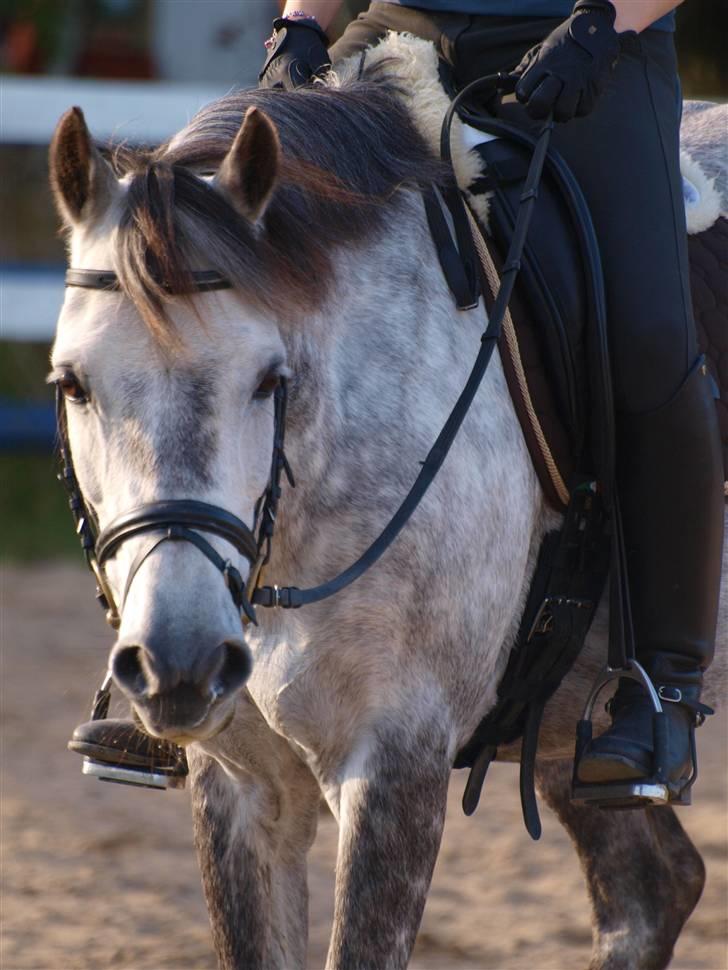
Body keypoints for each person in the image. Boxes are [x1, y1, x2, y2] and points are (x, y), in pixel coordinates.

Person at [259, 0, 724, 805]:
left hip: (593, 44)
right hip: (401, 37)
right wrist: (301, 23)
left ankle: (661, 691)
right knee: (224, 244)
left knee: (647, 334)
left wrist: (606, 25)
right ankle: (173, 640)